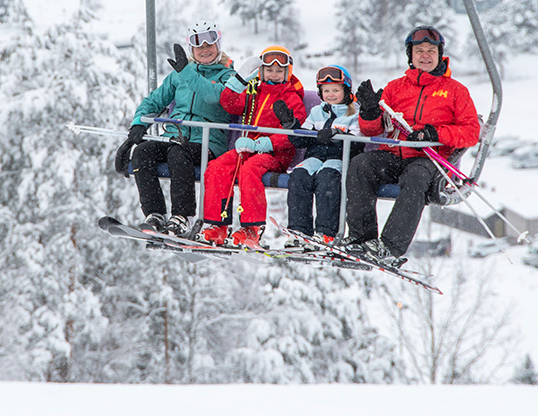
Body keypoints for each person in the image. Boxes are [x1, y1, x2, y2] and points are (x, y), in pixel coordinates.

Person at [342, 26, 480, 267]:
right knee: (361, 165)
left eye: (430, 51)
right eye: (419, 51)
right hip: (394, 154)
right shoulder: (396, 87)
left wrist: (434, 133)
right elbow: (372, 131)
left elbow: (470, 132)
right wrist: (370, 111)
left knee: (416, 176)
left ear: (440, 55)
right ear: (411, 55)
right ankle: (361, 240)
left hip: (430, 160)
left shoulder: (455, 91)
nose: (425, 56)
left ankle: (390, 247)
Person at [115, 21, 236, 237]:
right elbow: (153, 102)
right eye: (199, 46)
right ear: (192, 50)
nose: (205, 50)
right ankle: (155, 214)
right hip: (174, 138)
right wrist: (138, 124)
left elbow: (214, 96)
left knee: (178, 153)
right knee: (143, 152)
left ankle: (183, 216)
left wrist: (187, 72)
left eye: (210, 44)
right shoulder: (179, 76)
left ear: (218, 45)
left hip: (207, 143)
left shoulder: (228, 76)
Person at [197, 46, 307, 246]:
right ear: (262, 71)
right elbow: (229, 104)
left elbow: (294, 133)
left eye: (279, 71)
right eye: (269, 70)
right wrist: (239, 81)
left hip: (275, 154)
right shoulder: (253, 91)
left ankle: (252, 228)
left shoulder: (290, 97)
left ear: (287, 73)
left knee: (250, 170)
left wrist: (264, 144)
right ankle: (218, 226)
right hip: (247, 149)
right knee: (217, 167)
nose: (274, 75)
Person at [273, 65, 364, 247]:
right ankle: (299, 230)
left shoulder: (353, 112)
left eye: (336, 90)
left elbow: (357, 142)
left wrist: (336, 136)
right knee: (299, 175)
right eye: (326, 90)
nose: (331, 95)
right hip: (315, 157)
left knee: (327, 178)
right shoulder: (317, 112)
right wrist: (290, 125)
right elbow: (302, 140)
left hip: (339, 159)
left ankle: (326, 232)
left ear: (346, 91)